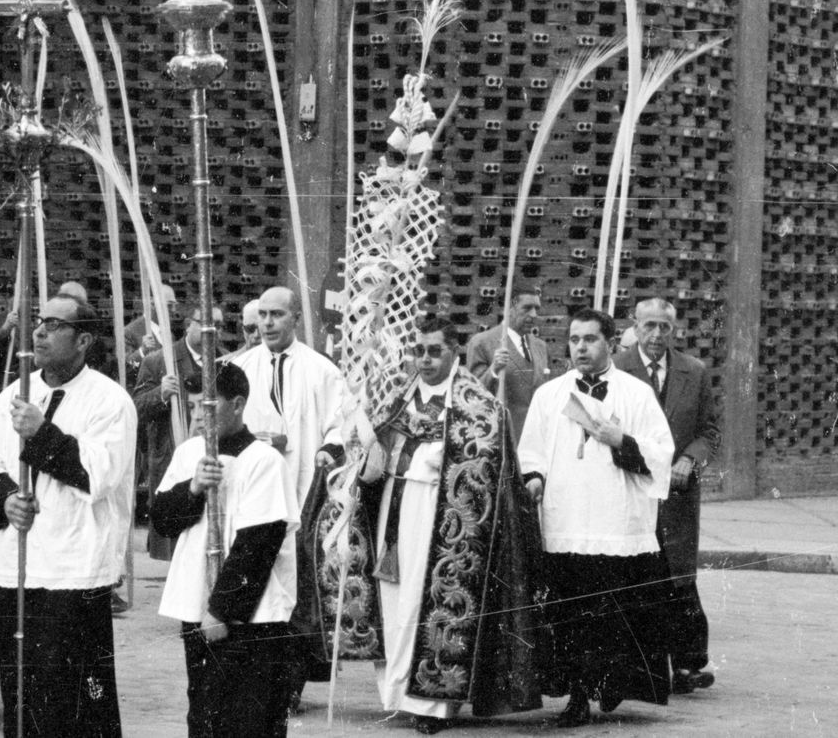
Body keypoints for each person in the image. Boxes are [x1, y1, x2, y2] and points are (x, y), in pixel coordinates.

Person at [356, 317, 543, 734]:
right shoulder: (397, 399)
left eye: (434, 350)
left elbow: (488, 469)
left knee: (433, 599)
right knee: (395, 601)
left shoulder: (478, 406)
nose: (424, 359)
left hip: (442, 517)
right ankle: (398, 694)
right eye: (418, 350)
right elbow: (373, 449)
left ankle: (435, 703)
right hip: (395, 506)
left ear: (454, 353)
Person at [0, 293, 135, 738]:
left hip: (76, 571)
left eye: (55, 325)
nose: (39, 332)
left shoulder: (109, 400)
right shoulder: (18, 393)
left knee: (72, 701)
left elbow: (98, 474)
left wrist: (42, 432)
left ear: (84, 340)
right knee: (21, 694)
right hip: (20, 566)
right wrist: (3, 499)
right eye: (39, 322)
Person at [518, 307, 674, 727]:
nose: (581, 347)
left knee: (611, 615)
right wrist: (533, 479)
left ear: (609, 343)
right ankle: (575, 695)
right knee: (570, 616)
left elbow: (662, 453)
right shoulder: (549, 395)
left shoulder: (636, 394)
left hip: (615, 524)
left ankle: (610, 684)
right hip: (566, 522)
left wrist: (621, 439)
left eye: (590, 339)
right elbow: (530, 451)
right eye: (574, 340)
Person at [151, 363, 298, 738]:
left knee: (250, 717)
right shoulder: (188, 453)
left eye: (209, 406)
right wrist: (194, 488)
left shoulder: (264, 460)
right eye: (196, 406)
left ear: (237, 404)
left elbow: (258, 545)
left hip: (250, 614)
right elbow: (163, 520)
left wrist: (221, 610)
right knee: (204, 712)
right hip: (198, 606)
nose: (199, 415)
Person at [229, 285, 350, 697]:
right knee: (253, 585)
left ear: (296, 318)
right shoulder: (240, 368)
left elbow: (341, 421)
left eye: (277, 315)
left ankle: (290, 684)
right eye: (262, 315)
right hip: (252, 497)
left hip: (302, 491)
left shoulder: (321, 371)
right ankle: (250, 676)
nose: (267, 323)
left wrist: (328, 448)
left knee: (295, 594)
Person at [613, 297, 721, 695]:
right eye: (649, 326)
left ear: (675, 330)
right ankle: (633, 670)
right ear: (636, 326)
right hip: (629, 489)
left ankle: (690, 665)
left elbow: (709, 430)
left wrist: (690, 460)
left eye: (665, 327)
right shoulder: (617, 369)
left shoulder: (694, 371)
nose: (657, 334)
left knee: (679, 578)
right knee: (631, 577)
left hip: (676, 495)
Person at [135, 302, 224, 559]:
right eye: (206, 323)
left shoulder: (224, 361)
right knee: (175, 542)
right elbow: (135, 408)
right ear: (189, 325)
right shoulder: (159, 362)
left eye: (218, 325)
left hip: (211, 457)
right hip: (173, 454)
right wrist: (160, 394)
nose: (213, 330)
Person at [465, 284, 552, 442]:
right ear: (508, 308)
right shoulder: (482, 343)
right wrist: (493, 370)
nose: (534, 314)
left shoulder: (541, 346)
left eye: (536, 308)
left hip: (537, 438)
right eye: (527, 308)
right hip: (502, 438)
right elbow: (472, 395)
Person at [122, 282, 179, 388]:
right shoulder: (129, 332)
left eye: (174, 305)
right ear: (152, 304)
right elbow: (124, 369)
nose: (174, 310)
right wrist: (142, 351)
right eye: (169, 305)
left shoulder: (169, 335)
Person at [220, 297, 262, 362]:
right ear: (243, 330)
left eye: (262, 329)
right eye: (250, 329)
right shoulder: (227, 363)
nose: (256, 335)